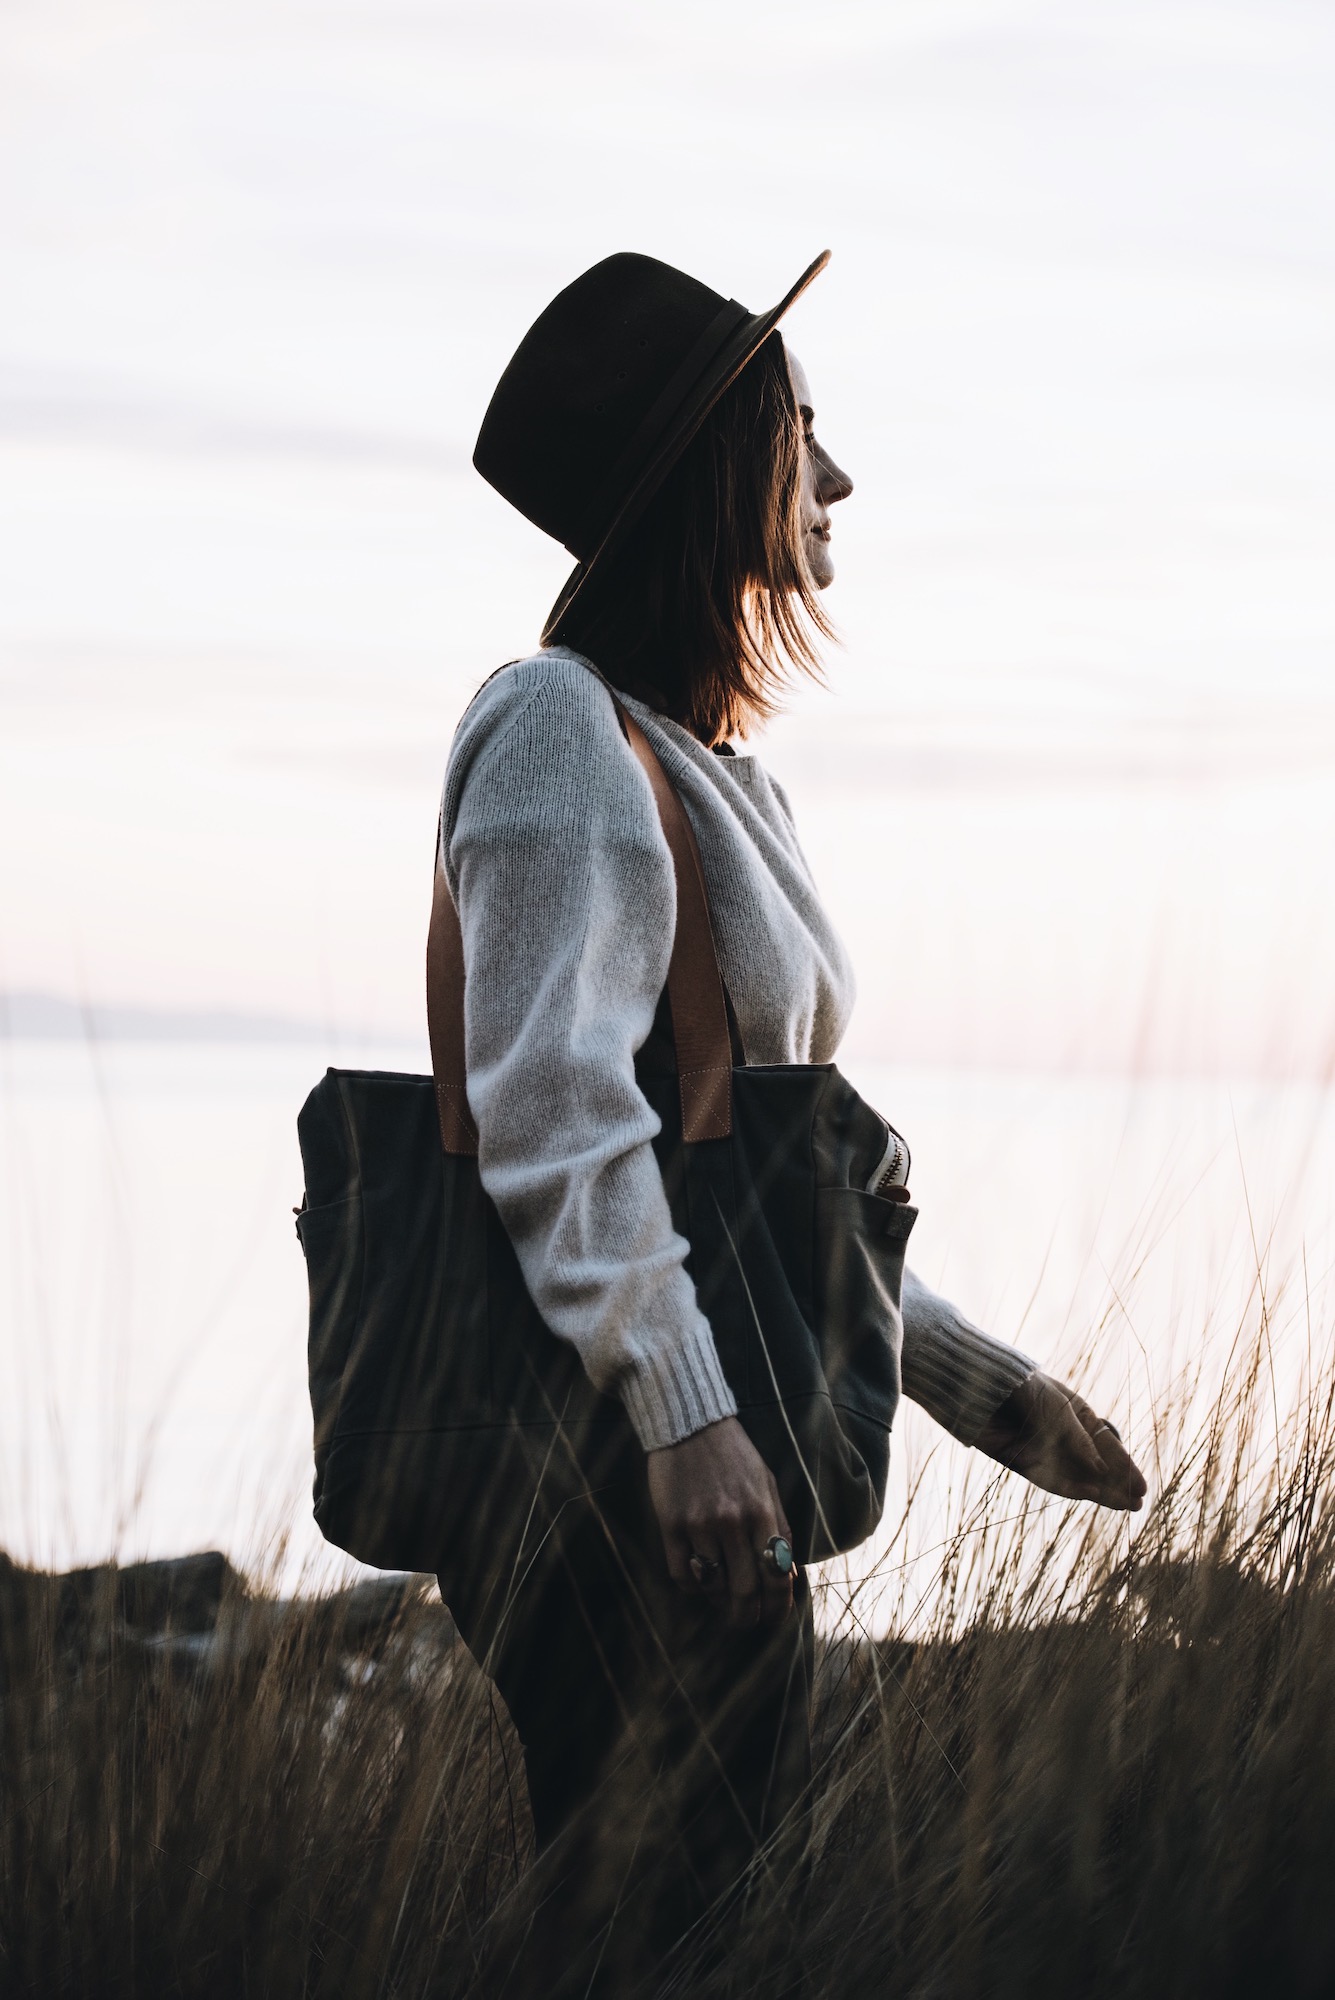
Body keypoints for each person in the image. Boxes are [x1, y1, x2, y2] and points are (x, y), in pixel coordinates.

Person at [438, 250, 1147, 1988]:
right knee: (675, 1917)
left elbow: (752, 1187)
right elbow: (553, 1113)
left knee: (693, 1907)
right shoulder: (556, 731)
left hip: (685, 1445)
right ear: (711, 475)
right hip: (614, 1463)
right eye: (804, 435)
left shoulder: (708, 766)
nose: (835, 480)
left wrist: (980, 1383)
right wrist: (684, 1414)